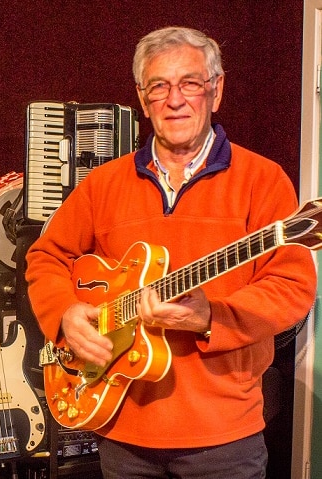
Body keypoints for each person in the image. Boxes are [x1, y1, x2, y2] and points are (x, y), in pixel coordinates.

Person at [24, 26, 316, 478]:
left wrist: (211, 319)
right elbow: (47, 257)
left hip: (224, 436)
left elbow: (291, 286)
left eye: (190, 84)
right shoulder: (104, 184)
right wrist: (64, 314)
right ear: (143, 99)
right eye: (159, 86)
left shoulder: (263, 179)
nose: (174, 100)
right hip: (120, 425)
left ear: (216, 91)